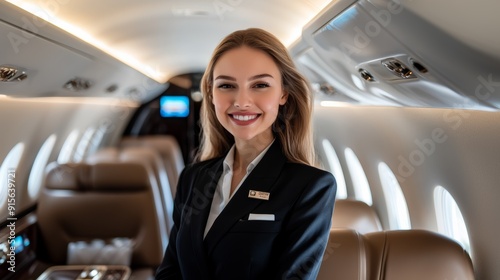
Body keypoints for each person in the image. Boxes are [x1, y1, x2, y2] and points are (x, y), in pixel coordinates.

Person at [155, 28, 336, 280]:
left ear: (283, 93)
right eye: (227, 85)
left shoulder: (310, 187)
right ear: (211, 93)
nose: (241, 101)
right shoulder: (193, 178)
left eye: (260, 85)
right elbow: (170, 272)